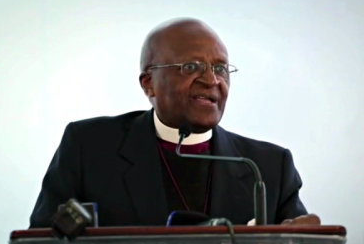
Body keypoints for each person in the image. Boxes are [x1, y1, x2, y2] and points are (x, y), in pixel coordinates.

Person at [30, 18, 319, 227]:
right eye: (191, 67)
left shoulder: (268, 167)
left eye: (220, 68)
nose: (212, 80)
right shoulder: (89, 147)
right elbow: (40, 240)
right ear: (149, 84)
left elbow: (296, 234)